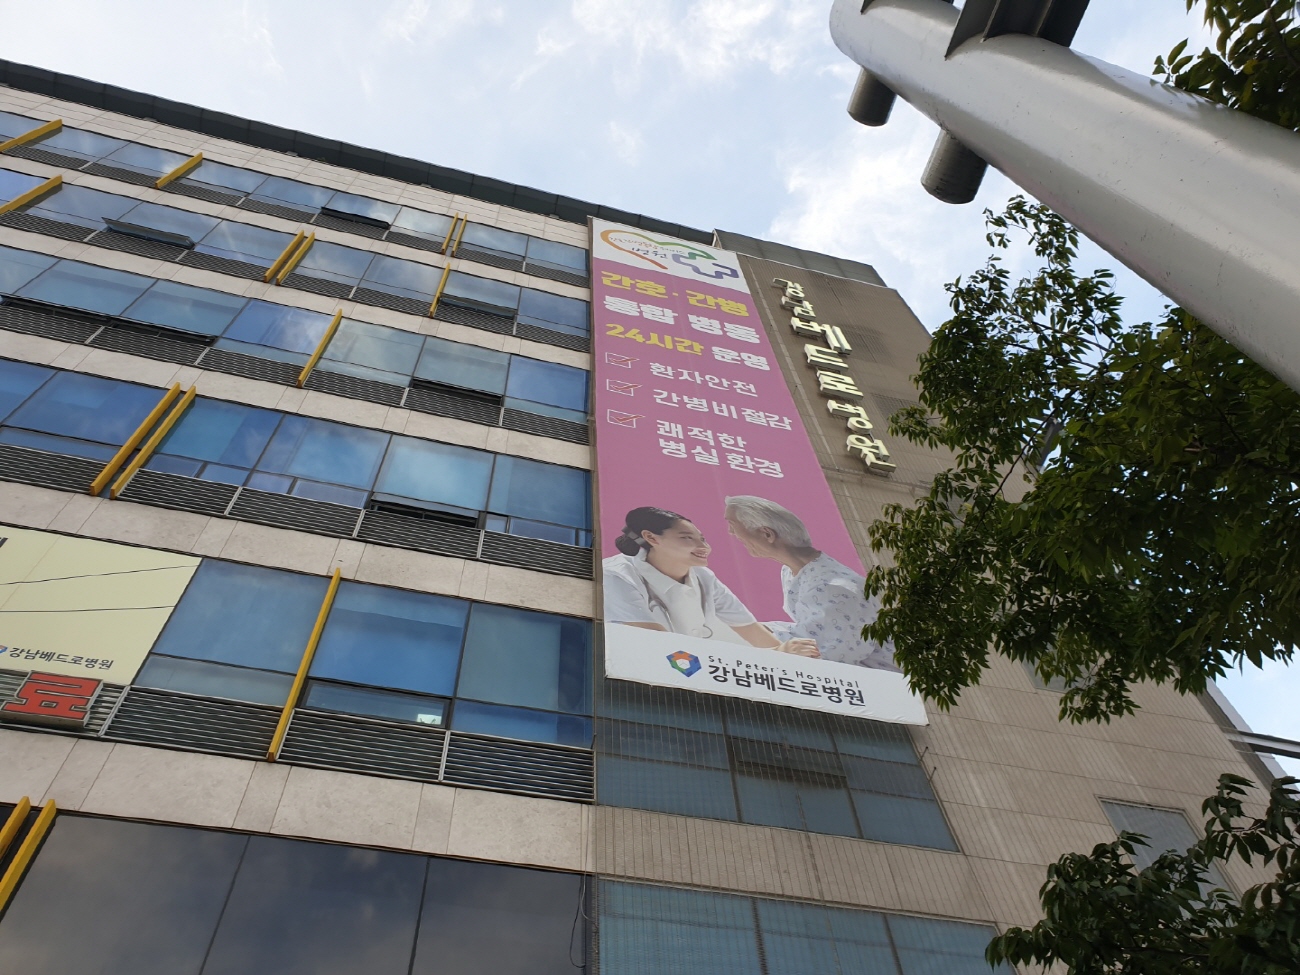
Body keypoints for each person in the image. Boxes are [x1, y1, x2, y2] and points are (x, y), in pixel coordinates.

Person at [602, 506, 818, 656]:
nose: (703, 547)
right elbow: (662, 648)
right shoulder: (617, 576)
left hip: (709, 661)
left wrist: (783, 653)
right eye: (686, 538)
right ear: (651, 538)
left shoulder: (703, 576)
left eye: (702, 539)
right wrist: (773, 655)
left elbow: (751, 630)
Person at [723, 495, 900, 671]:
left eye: (732, 524)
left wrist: (749, 631)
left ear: (767, 534)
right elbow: (813, 632)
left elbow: (826, 653)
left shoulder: (835, 587)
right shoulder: (792, 571)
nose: (730, 532)